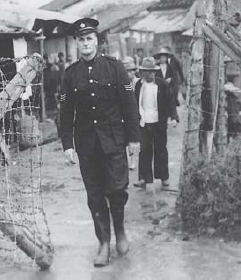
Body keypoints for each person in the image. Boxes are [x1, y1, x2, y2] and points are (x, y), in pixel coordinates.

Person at [59, 17, 140, 267]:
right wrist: (68, 145)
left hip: (114, 141)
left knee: (116, 191)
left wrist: (134, 139)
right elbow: (65, 111)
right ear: (77, 43)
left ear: (97, 41)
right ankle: (103, 243)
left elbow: (129, 105)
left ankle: (121, 231)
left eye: (89, 38)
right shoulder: (70, 75)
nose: (85, 43)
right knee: (94, 196)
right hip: (87, 145)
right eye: (81, 39)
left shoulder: (115, 68)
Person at [133, 57, 174, 189]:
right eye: (147, 71)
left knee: (161, 150)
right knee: (144, 150)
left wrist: (173, 117)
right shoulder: (139, 85)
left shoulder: (162, 84)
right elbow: (134, 103)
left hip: (158, 122)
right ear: (142, 72)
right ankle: (143, 178)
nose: (150, 74)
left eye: (152, 72)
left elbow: (170, 102)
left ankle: (164, 177)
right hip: (144, 122)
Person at [122, 56, 140, 171]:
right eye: (127, 71)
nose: (129, 74)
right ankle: (127, 161)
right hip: (125, 114)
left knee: (134, 138)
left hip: (137, 114)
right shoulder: (121, 84)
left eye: (131, 71)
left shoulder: (138, 83)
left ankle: (133, 160)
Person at [153, 47, 180, 124]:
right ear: (159, 58)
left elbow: (174, 75)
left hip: (168, 87)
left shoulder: (170, 66)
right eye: (161, 57)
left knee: (170, 100)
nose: (163, 59)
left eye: (164, 57)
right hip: (159, 87)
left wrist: (170, 79)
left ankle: (171, 116)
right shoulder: (156, 67)